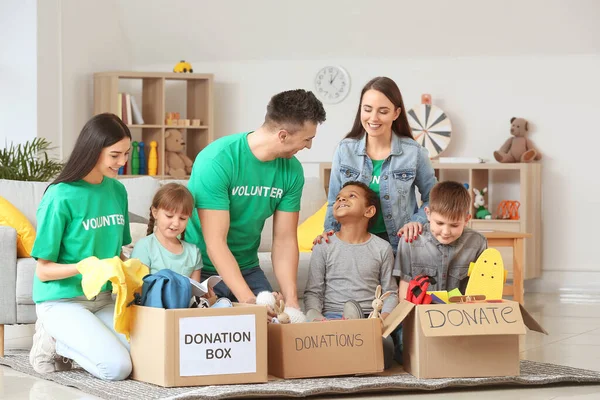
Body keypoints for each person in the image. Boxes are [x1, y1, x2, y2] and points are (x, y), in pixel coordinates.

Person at [185, 89, 326, 313]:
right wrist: (251, 303)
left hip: (248, 268)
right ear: (282, 135)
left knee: (276, 329)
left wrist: (291, 300)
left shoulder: (292, 171)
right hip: (201, 270)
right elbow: (215, 242)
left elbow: (285, 240)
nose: (308, 146)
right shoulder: (217, 160)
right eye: (307, 139)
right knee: (245, 326)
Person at [29, 113, 133, 380]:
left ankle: (77, 340)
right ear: (93, 151)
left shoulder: (117, 192)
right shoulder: (60, 196)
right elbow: (43, 271)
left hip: (105, 300)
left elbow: (118, 252)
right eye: (115, 155)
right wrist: (84, 267)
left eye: (126, 153)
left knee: (145, 355)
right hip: (63, 300)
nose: (123, 162)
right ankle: (54, 341)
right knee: (117, 368)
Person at [315, 76, 437, 252]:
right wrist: (330, 232)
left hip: (400, 246)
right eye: (367, 109)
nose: (373, 118)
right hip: (354, 244)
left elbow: (433, 199)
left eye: (383, 111)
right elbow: (334, 199)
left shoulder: (414, 152)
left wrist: (416, 222)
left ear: (396, 113)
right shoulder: (344, 150)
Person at [304, 181, 398, 368]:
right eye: (338, 198)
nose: (341, 199)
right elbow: (313, 292)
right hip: (330, 320)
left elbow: (391, 293)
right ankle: (347, 349)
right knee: (309, 343)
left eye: (351, 196)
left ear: (369, 211)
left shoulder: (382, 248)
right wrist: (316, 319)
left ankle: (348, 348)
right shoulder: (324, 245)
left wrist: (382, 319)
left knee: (387, 349)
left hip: (367, 320)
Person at [394, 181, 488, 297]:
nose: (446, 232)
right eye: (439, 223)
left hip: (462, 312)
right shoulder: (410, 240)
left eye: (454, 225)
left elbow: (483, 287)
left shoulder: (478, 243)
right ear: (428, 214)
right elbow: (405, 285)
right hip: (421, 312)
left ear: (466, 219)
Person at [131, 183, 202, 281]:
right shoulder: (144, 248)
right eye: (169, 216)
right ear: (155, 212)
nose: (176, 223)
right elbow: (138, 290)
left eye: (182, 218)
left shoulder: (193, 253)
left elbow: (195, 292)